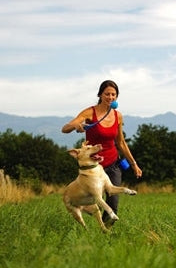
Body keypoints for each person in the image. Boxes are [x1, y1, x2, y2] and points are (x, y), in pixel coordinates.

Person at [61, 80, 142, 227]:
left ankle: (106, 233)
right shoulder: (89, 112)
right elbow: (65, 128)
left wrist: (134, 164)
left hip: (112, 163)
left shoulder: (118, 116)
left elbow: (121, 142)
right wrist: (76, 126)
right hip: (93, 167)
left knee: (113, 202)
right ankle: (88, 220)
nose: (110, 97)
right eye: (107, 94)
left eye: (114, 95)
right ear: (100, 95)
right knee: (93, 199)